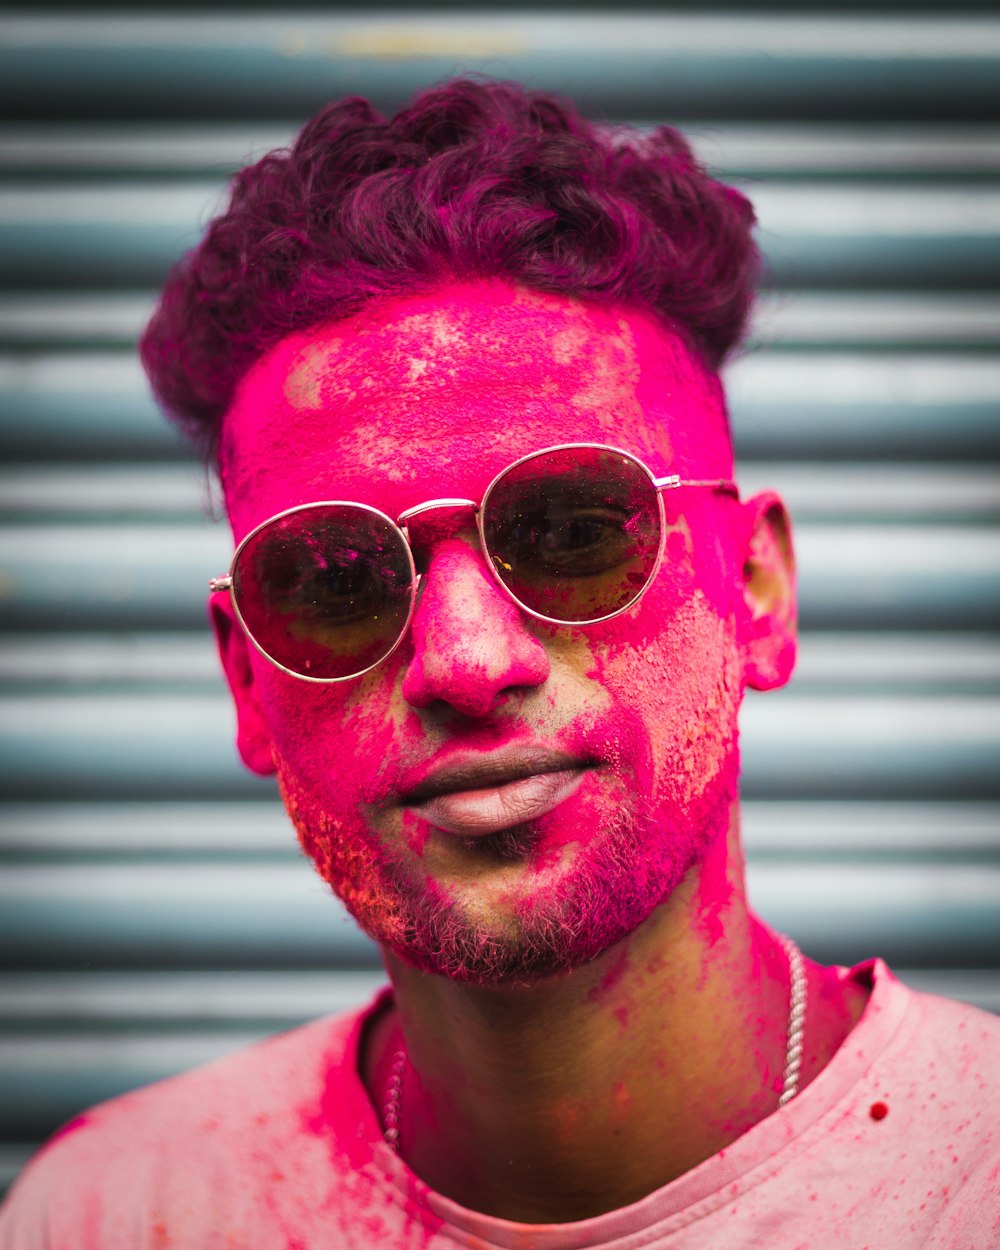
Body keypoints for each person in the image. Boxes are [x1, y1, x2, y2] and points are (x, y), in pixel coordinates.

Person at [1, 78, 997, 1249]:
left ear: (757, 591)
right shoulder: (115, 1213)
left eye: (575, 530)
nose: (466, 661)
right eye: (334, 579)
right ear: (246, 680)